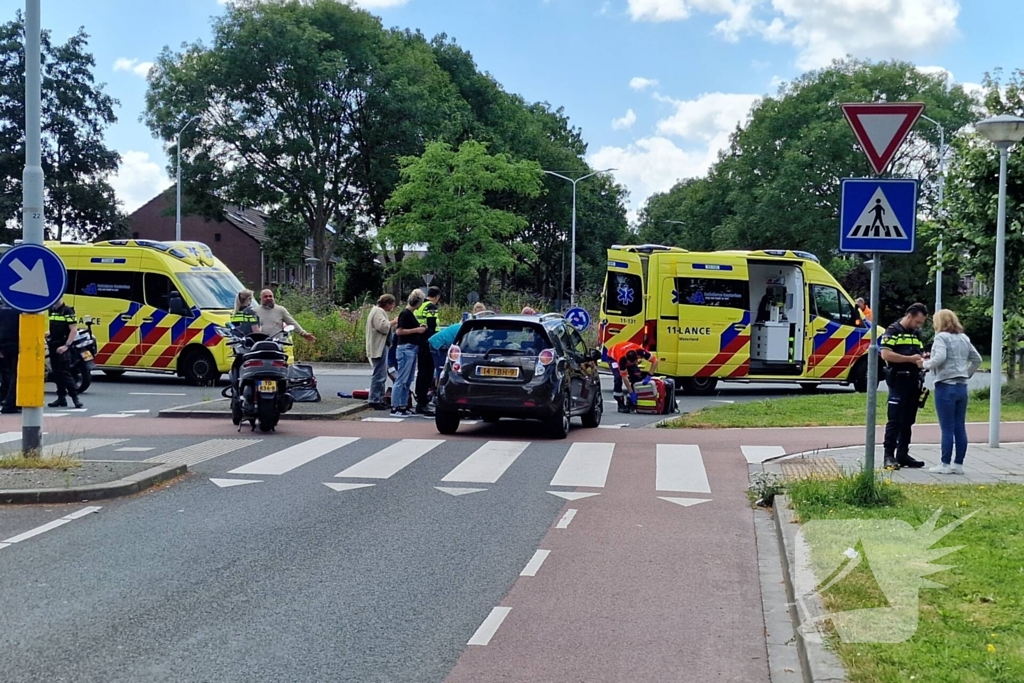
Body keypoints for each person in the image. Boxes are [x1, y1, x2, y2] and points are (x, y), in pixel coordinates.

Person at [924, 309, 982, 475]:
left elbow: (940, 357)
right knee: (959, 426)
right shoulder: (964, 338)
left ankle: (944, 463)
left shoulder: (941, 337)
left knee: (947, 427)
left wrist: (925, 364)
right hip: (961, 386)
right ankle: (958, 464)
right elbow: (977, 359)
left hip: (945, 385)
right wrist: (966, 373)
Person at [880, 302, 930, 470]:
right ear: (909, 316)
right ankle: (889, 455)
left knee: (908, 420)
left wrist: (924, 357)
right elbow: (885, 354)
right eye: (917, 322)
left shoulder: (916, 334)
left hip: (914, 381)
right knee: (895, 419)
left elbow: (918, 353)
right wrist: (910, 359)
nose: (919, 325)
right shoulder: (893, 331)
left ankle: (903, 454)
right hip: (898, 380)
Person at [392, 289, 427, 417]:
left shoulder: (410, 314)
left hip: (410, 349)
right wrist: (417, 330)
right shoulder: (405, 314)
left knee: (407, 380)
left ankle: (403, 406)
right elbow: (399, 331)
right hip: (406, 349)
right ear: (418, 302)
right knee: (402, 379)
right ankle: (395, 407)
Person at [47, 296, 83, 409]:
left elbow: (73, 330)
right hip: (53, 345)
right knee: (56, 373)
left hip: (63, 346)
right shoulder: (51, 310)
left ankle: (75, 398)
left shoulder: (68, 311)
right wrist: (49, 333)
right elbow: (55, 327)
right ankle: (61, 398)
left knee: (64, 373)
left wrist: (66, 346)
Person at [365, 294, 398, 411]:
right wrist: (393, 322)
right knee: (379, 374)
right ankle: (374, 399)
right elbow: (383, 327)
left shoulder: (376, 311)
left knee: (381, 373)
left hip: (380, 346)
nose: (392, 307)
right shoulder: (378, 311)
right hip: (379, 346)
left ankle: (379, 398)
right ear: (387, 304)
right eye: (392, 304)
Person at [413, 286, 441, 416]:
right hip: (428, 344)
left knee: (421, 373)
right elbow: (432, 326)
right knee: (427, 373)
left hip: (419, 342)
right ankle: (423, 403)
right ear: (437, 296)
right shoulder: (431, 307)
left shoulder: (420, 306)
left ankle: (420, 399)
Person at [609, 341, 657, 412]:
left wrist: (649, 375)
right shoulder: (622, 360)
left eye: (633, 362)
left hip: (627, 350)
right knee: (618, 378)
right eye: (629, 363)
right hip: (612, 357)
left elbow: (655, 361)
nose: (631, 364)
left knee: (637, 376)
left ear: (636, 358)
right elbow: (624, 378)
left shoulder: (640, 351)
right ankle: (620, 403)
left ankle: (630, 402)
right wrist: (631, 393)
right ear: (627, 359)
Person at [0, 301, 20, 414]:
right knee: (15, 375)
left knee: (6, 374)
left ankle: (5, 398)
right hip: (16, 345)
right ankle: (10, 404)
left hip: (3, 346)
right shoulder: (19, 310)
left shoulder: (2, 310)